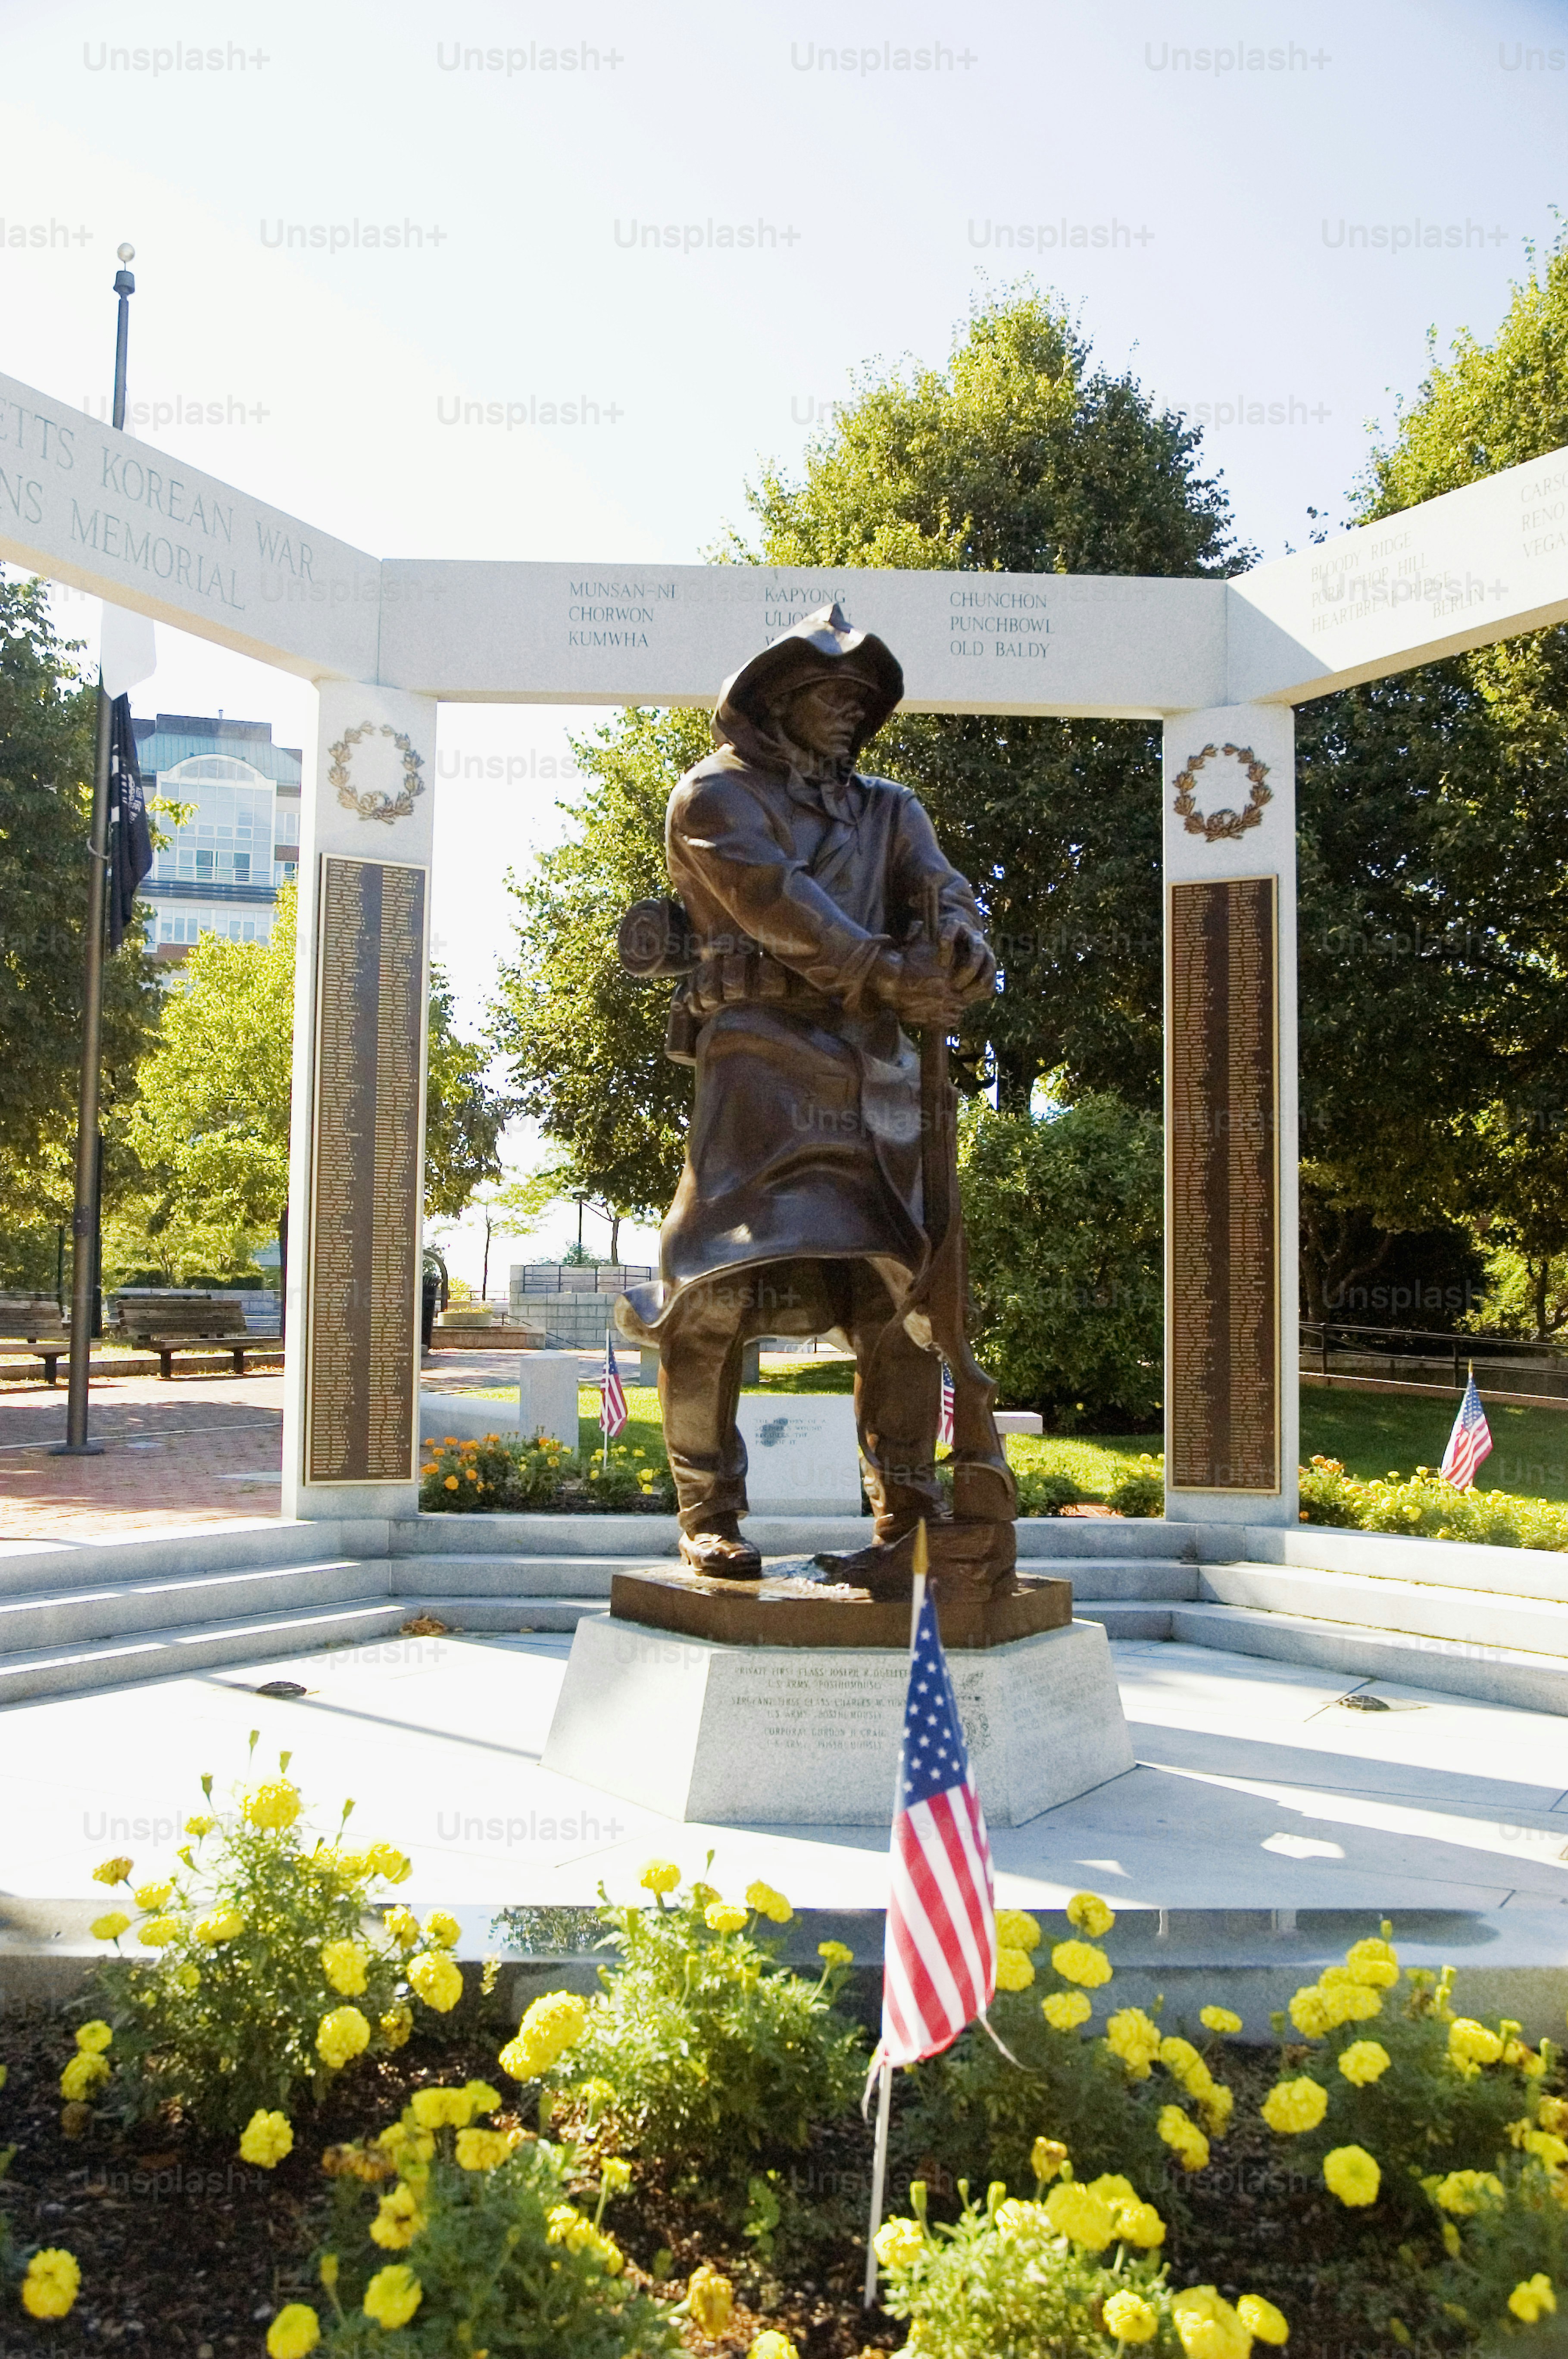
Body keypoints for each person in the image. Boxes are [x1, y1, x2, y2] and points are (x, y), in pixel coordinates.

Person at [617, 604, 998, 1578]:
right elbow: (781, 904)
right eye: (834, 693)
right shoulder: (714, 796)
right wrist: (884, 969)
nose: (852, 714)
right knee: (709, 1290)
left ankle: (906, 1515)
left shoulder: (891, 808)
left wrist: (959, 948)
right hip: (759, 1062)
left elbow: (943, 887)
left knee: (899, 1294)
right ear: (779, 700)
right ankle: (709, 1512)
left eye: (864, 702)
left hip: (876, 1069)